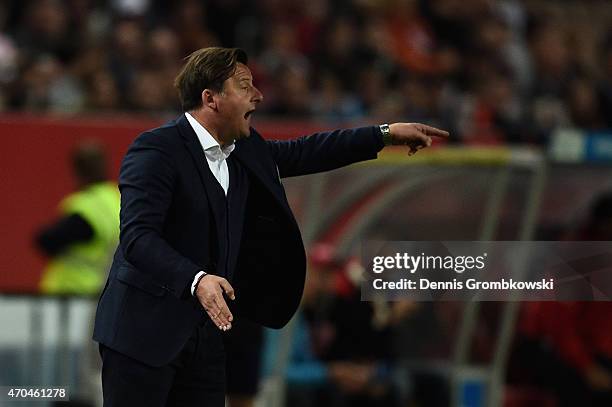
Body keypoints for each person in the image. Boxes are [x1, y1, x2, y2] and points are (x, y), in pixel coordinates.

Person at [92, 46, 449, 407]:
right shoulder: (155, 150)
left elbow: (307, 151)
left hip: (205, 336)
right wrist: (197, 279)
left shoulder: (246, 151)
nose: (258, 96)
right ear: (210, 98)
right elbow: (138, 238)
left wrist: (384, 134)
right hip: (142, 333)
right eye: (245, 86)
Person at [36, 140, 120, 295]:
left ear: (77, 171)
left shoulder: (86, 205)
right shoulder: (117, 197)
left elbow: (47, 241)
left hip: (72, 291)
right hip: (106, 289)